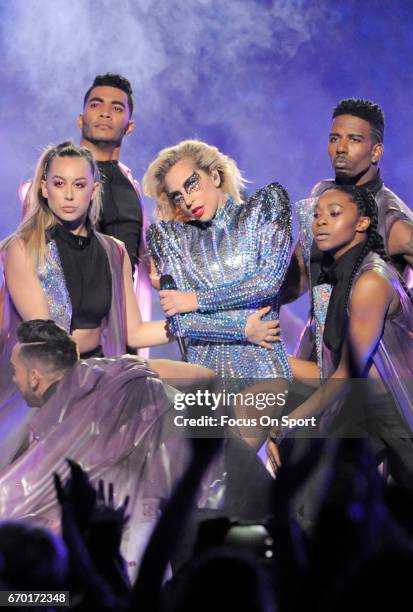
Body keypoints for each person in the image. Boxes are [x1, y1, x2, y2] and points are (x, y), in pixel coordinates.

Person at [0, 141, 215, 466]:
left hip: (102, 367)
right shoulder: (23, 249)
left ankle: (195, 497)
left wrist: (202, 318)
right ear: (43, 189)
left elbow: (136, 332)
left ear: (94, 189)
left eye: (79, 184)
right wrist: (110, 377)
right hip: (51, 382)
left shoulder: (113, 251)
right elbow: (46, 342)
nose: (69, 195)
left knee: (203, 379)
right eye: (59, 184)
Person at [0, 319, 217, 571]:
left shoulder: (57, 430)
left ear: (35, 378)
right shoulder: (120, 370)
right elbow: (205, 376)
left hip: (144, 530)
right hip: (191, 496)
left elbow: (22, 492)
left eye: (15, 370)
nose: (14, 379)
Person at [268, 185, 413, 492]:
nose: (320, 221)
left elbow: (346, 373)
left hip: (397, 413)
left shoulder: (370, 280)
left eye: (333, 214)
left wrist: (289, 422)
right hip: (365, 411)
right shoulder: (339, 276)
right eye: (317, 215)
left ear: (362, 223)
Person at [144, 139, 291, 381]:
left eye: (191, 185)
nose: (187, 201)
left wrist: (196, 299)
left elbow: (268, 283)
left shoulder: (262, 210)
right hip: (201, 374)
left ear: (214, 176)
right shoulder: (173, 239)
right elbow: (180, 324)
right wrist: (242, 329)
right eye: (178, 196)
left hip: (262, 369)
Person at [284, 98, 413, 360]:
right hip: (316, 356)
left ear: (376, 152)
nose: (340, 148)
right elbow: (298, 276)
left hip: (373, 371)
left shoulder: (391, 219)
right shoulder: (323, 196)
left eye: (353, 139)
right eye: (334, 138)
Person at [18, 73, 152, 324]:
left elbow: (141, 264)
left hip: (123, 331)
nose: (105, 113)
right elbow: (28, 263)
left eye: (116, 107)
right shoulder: (48, 188)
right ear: (81, 119)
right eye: (96, 104)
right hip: (62, 335)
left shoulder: (132, 187)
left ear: (130, 126)